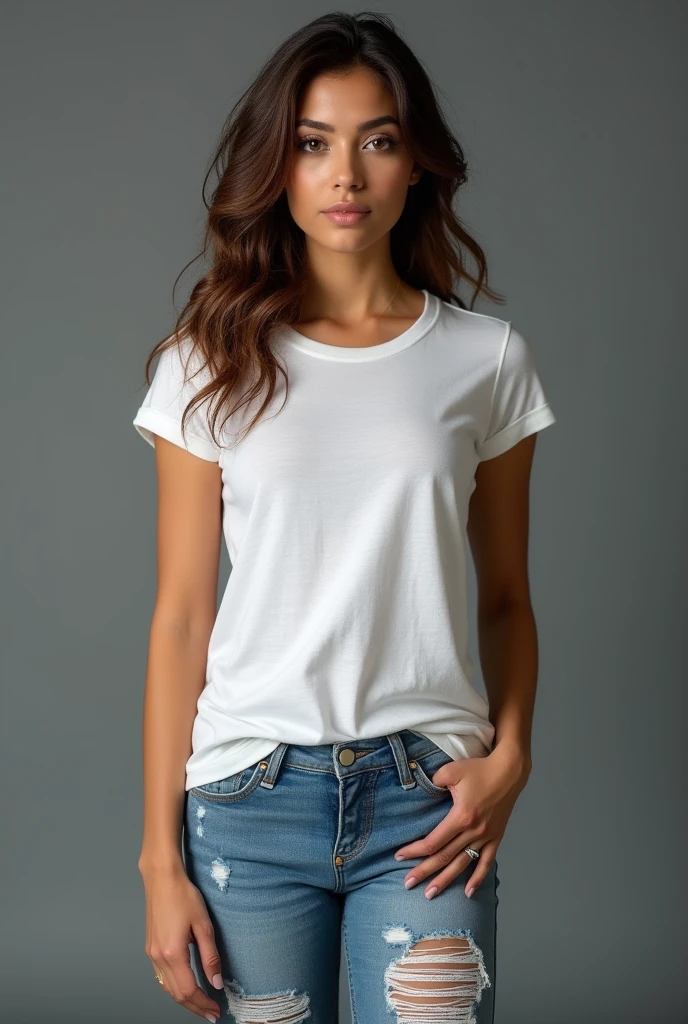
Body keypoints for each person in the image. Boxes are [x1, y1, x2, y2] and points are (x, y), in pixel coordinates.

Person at [132, 12, 556, 1024]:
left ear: (417, 163)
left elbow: (504, 597)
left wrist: (512, 756)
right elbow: (182, 615)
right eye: (314, 143)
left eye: (377, 139)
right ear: (279, 166)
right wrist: (158, 858)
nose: (346, 175)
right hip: (248, 797)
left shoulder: (485, 360)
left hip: (426, 798)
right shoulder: (207, 362)